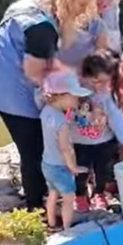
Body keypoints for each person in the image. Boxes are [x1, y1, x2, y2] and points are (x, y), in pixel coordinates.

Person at [0, 0, 98, 210]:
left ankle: (44, 197)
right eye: (81, 6)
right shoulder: (41, 27)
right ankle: (36, 207)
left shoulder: (42, 0)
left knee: (37, 139)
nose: (81, 13)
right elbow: (35, 73)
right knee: (33, 146)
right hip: (10, 82)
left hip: (1, 69)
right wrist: (63, 90)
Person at [71, 50, 123, 212]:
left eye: (104, 82)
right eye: (95, 81)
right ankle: (80, 195)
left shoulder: (107, 97)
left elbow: (117, 119)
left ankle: (98, 193)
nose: (98, 86)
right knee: (80, 171)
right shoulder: (74, 95)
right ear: (83, 76)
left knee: (102, 170)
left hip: (104, 141)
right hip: (79, 142)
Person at [40, 70, 92, 230]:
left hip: (47, 163)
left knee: (53, 194)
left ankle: (51, 223)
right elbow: (65, 148)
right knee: (69, 198)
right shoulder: (61, 121)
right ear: (62, 96)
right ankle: (68, 227)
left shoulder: (45, 112)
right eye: (75, 96)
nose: (78, 99)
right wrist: (73, 167)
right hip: (61, 167)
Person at [57, 0, 116, 69]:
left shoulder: (98, 26)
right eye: (98, 3)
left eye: (105, 6)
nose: (99, 9)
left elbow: (100, 55)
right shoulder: (62, 17)